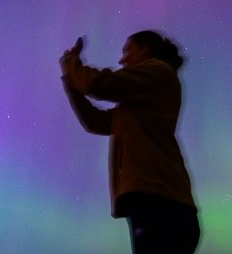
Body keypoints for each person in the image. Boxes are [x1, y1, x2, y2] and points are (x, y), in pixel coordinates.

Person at [60, 31, 200, 253]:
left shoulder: (158, 72)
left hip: (160, 201)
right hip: (156, 199)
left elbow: (98, 84)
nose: (122, 60)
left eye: (127, 51)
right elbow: (95, 121)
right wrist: (70, 80)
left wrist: (71, 63)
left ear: (145, 49)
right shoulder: (137, 103)